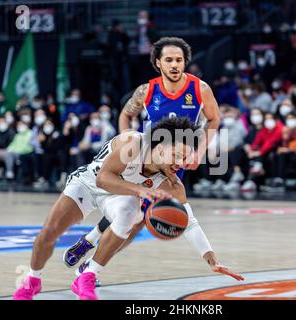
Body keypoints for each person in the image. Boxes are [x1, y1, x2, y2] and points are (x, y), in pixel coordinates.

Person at [13, 117, 243, 300]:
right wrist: (140, 190)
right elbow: (103, 178)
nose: (181, 163)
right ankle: (33, 280)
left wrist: (212, 260)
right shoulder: (133, 144)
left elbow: (189, 222)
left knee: (131, 214)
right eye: (177, 155)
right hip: (89, 182)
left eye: (185, 158)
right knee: (49, 232)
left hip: (120, 194)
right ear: (161, 148)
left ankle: (88, 275)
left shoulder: (172, 183)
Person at [64, 36, 220, 270]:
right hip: (145, 159)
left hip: (174, 162)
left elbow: (214, 119)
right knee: (131, 214)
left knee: (137, 222)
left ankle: (91, 252)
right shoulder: (147, 90)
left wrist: (198, 151)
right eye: (169, 60)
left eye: (179, 60)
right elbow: (125, 115)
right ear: (158, 62)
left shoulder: (200, 89)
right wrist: (128, 144)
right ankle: (91, 252)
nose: (175, 64)